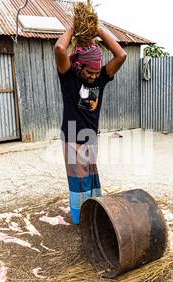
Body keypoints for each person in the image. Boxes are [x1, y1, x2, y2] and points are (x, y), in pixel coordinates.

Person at [54, 26, 127, 224]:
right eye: (90, 72)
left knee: (91, 176)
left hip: (90, 135)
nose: (94, 76)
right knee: (79, 181)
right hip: (71, 135)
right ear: (79, 67)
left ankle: (93, 213)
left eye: (96, 72)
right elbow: (60, 48)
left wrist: (99, 31)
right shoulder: (68, 77)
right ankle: (81, 220)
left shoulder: (101, 78)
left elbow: (121, 55)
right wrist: (74, 29)